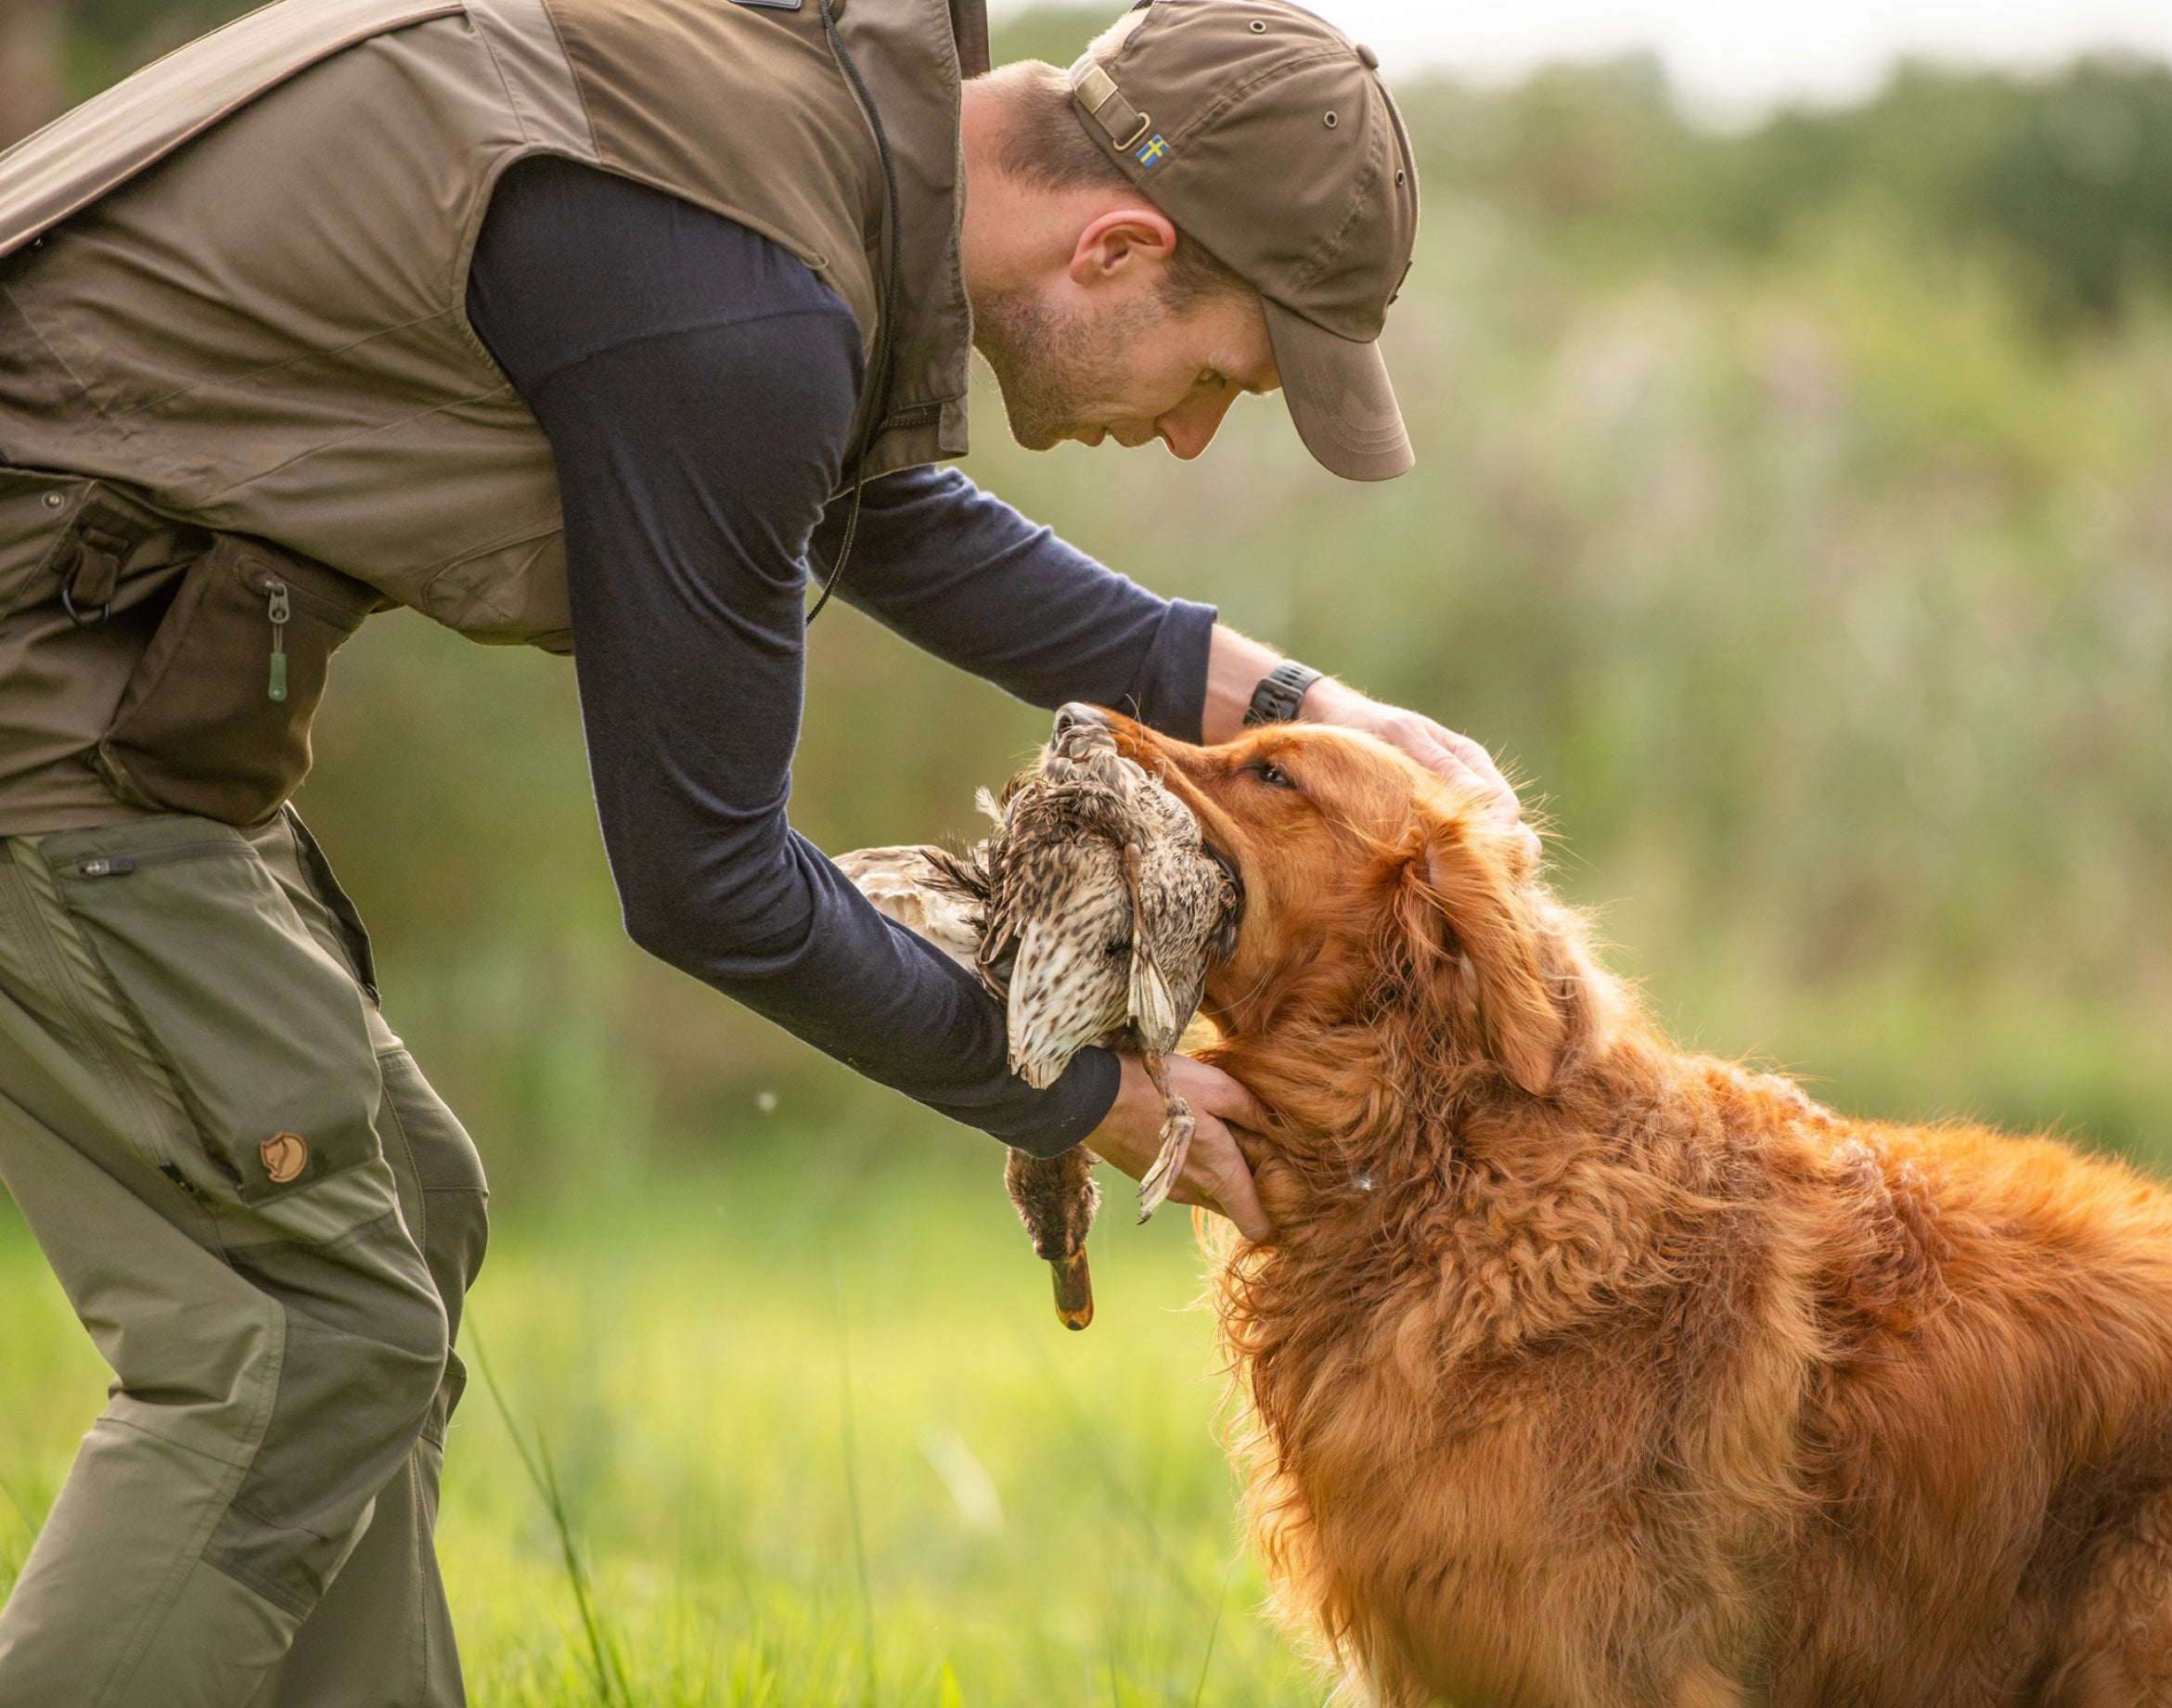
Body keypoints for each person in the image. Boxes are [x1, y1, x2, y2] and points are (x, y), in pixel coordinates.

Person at [0, 0, 1523, 1701]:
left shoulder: (790, 122)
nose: (1185, 434)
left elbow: (835, 488)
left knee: (395, 1234)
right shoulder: (738, 294)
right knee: (306, 1335)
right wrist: (1097, 1099)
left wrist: (1283, 696)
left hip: (124, 677)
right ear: (1117, 245)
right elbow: (709, 882)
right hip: (39, 682)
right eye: (1221, 377)